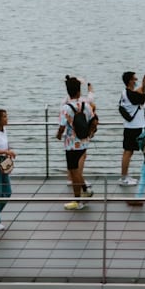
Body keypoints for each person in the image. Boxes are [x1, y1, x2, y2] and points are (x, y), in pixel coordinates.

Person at [55, 75, 97, 210]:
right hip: (84, 142)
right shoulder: (85, 105)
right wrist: (91, 132)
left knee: (73, 172)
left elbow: (62, 126)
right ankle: (85, 190)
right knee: (76, 170)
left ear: (68, 92)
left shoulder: (66, 108)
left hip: (71, 144)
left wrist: (58, 135)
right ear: (79, 91)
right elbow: (94, 120)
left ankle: (78, 200)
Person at [117, 70, 145, 184]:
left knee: (129, 152)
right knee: (131, 152)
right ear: (130, 81)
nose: (136, 80)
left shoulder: (125, 93)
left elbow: (139, 93)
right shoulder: (132, 95)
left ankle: (125, 176)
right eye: (135, 79)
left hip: (130, 127)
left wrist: (144, 84)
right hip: (135, 128)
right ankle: (125, 177)